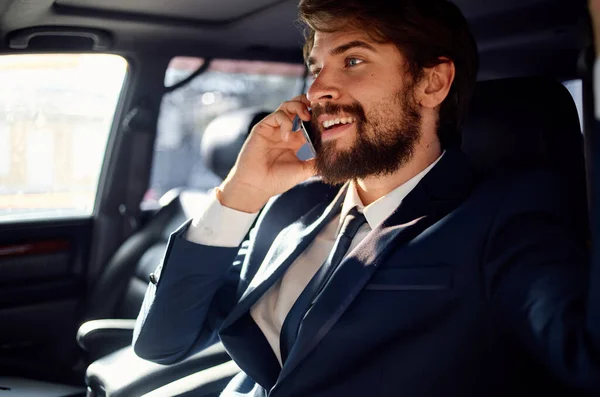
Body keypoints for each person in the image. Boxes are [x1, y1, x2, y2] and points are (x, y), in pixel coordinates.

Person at [133, 0, 600, 395]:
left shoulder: (505, 213)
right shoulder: (290, 208)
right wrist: (240, 194)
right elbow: (161, 344)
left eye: (352, 61)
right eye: (316, 68)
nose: (317, 90)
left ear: (431, 83)